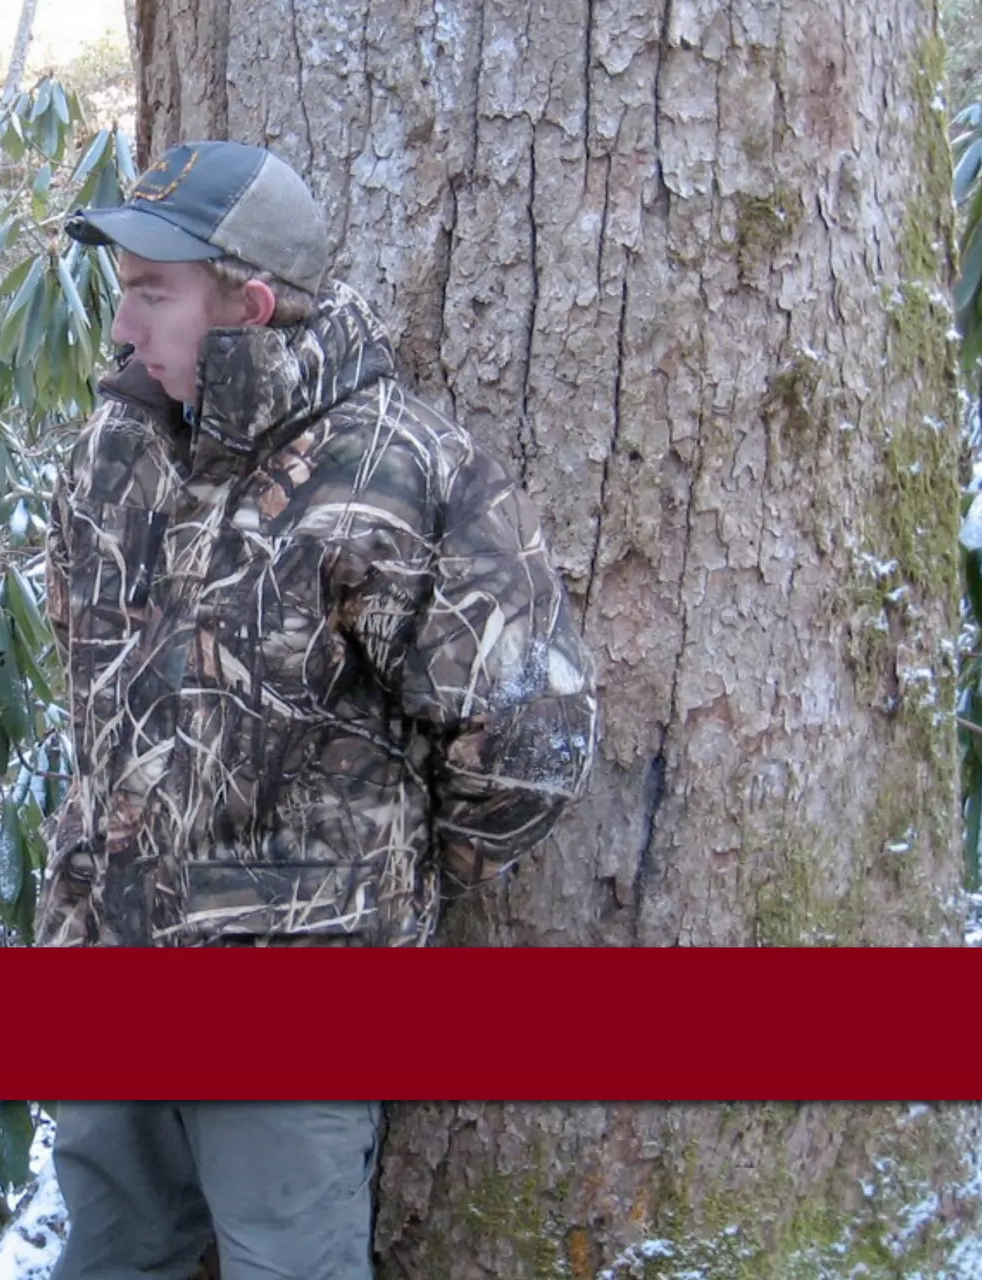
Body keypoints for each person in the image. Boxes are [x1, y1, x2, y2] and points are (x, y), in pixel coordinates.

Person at [41, 141, 598, 1277]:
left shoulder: (406, 473)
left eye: (152, 294)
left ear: (247, 304)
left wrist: (365, 886)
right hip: (105, 961)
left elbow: (532, 743)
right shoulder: (113, 445)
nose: (121, 330)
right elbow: (85, 674)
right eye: (121, 293)